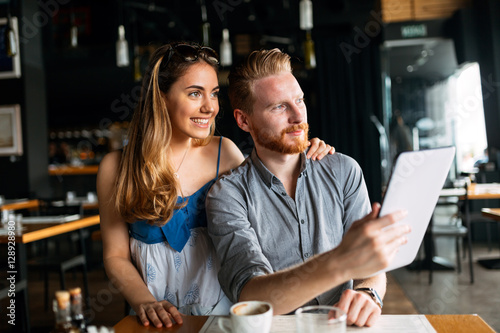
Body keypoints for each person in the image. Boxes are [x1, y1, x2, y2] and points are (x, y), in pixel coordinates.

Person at [97, 42, 335, 328]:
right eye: (195, 93)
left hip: (225, 316)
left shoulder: (226, 153)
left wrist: (302, 152)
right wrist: (144, 301)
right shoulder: (117, 167)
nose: (209, 107)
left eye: (214, 93)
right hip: (157, 320)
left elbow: (274, 191)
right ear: (161, 99)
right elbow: (115, 255)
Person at [206, 49, 411, 327]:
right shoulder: (227, 195)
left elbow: (372, 267)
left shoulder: (344, 171)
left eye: (299, 100)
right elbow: (252, 295)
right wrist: (340, 261)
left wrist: (369, 293)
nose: (297, 116)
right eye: (279, 107)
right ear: (244, 120)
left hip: (343, 326)